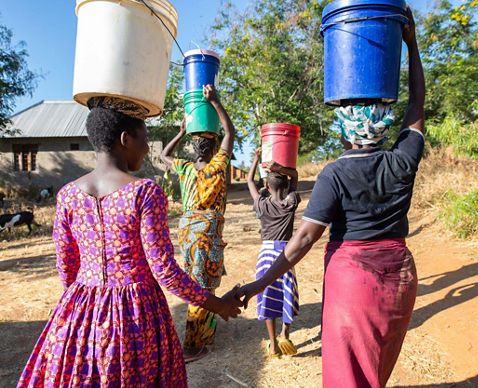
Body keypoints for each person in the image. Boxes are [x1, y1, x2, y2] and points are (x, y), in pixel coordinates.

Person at [237, 8, 425, 387]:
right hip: (400, 275)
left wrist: (257, 286)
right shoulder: (402, 160)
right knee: (376, 366)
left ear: (344, 130)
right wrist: (411, 44)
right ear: (382, 124)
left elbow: (304, 238)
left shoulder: (334, 173)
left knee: (349, 373)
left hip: (354, 280)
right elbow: (416, 106)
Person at [18, 106, 242, 387]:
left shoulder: (67, 195)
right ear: (126, 139)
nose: (147, 148)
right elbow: (164, 271)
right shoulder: (144, 192)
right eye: (144, 139)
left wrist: (82, 310)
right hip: (135, 314)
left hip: (81, 308)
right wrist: (217, 305)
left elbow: (66, 266)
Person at [161, 84, 235, 362]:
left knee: (197, 283)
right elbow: (230, 132)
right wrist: (215, 102)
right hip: (207, 232)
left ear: (194, 148)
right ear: (214, 147)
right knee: (203, 288)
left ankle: (205, 334)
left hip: (188, 232)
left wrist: (180, 132)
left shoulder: (185, 168)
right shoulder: (218, 166)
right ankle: (192, 344)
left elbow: (163, 156)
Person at [247, 149, 301, 358]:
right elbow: (295, 175)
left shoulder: (261, 204)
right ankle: (285, 335)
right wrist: (280, 169)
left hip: (266, 254)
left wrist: (256, 159)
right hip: (285, 254)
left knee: (266, 293)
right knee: (287, 292)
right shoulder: (290, 202)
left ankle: (272, 344)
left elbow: (250, 182)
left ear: (267, 187)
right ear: (286, 186)